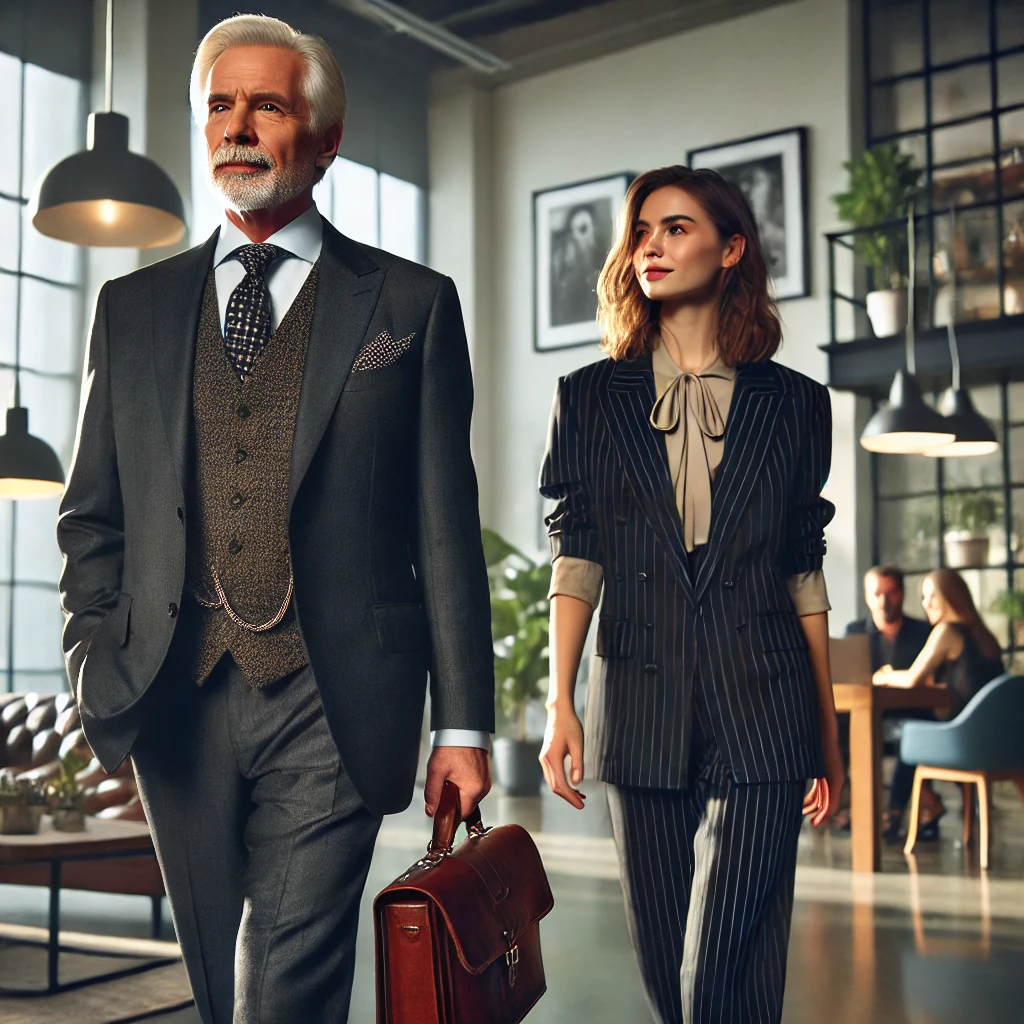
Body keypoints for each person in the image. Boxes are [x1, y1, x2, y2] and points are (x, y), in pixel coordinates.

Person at [57, 15, 493, 1023]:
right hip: (175, 690)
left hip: (336, 696)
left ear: (325, 138)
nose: (237, 126)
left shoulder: (409, 305)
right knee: (215, 974)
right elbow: (92, 518)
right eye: (219, 104)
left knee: (282, 976)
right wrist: (94, 659)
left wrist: (464, 723)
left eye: (267, 104)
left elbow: (445, 527)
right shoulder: (133, 310)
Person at [538, 165, 844, 1024]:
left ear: (731, 247)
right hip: (637, 700)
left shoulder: (797, 406)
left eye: (676, 228)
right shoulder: (589, 398)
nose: (652, 247)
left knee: (719, 969)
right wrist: (561, 701)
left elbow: (802, 572)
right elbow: (577, 555)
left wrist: (824, 731)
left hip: (767, 701)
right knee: (669, 975)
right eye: (642, 231)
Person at [873, 568, 1005, 839]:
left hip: (966, 741)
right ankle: (911, 810)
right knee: (918, 724)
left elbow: (911, 679)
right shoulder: (985, 637)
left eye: (932, 596)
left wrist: (884, 675)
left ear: (951, 598)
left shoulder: (946, 631)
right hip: (1001, 743)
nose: (926, 604)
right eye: (924, 597)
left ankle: (894, 814)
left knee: (911, 730)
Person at [844, 565, 933, 837]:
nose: (883, 601)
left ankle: (893, 812)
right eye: (876, 593)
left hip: (913, 713)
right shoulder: (855, 631)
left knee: (913, 731)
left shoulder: (923, 631)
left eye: (891, 592)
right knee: (836, 725)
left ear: (902, 593)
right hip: (868, 714)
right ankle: (843, 804)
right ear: (866, 596)